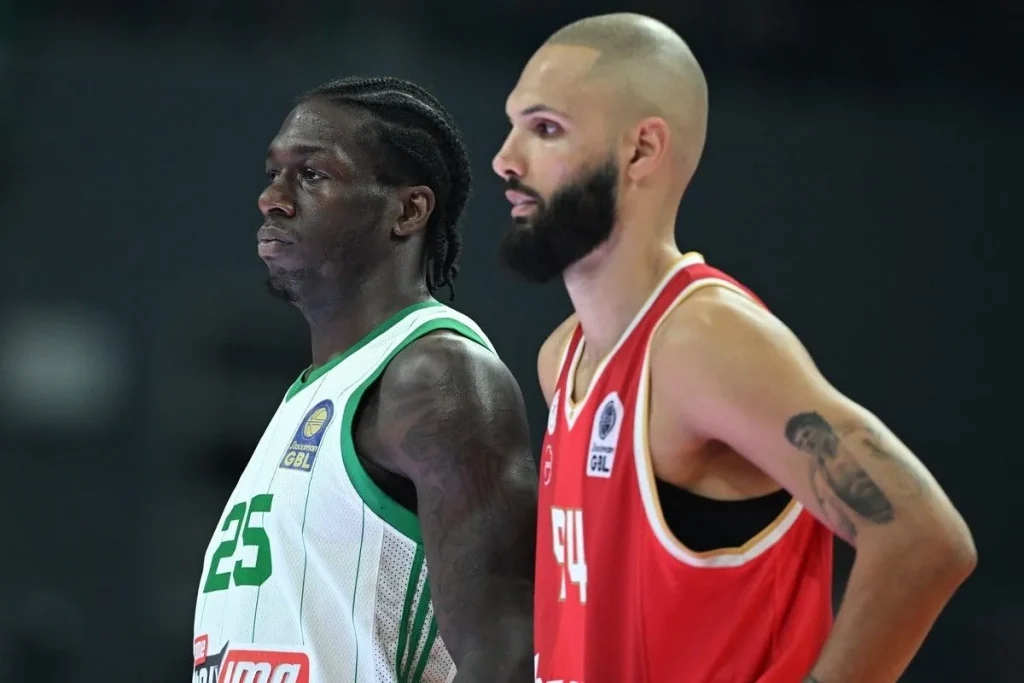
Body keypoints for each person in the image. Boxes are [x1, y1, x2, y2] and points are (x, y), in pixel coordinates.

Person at [492, 13, 976, 683]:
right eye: (513, 125)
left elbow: (926, 540)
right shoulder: (564, 357)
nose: (506, 158)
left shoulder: (702, 342)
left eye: (545, 129)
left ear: (641, 151)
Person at [193, 76, 536, 683]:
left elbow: (506, 653)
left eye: (312, 174)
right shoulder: (315, 392)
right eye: (273, 173)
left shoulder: (437, 378)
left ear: (408, 210)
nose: (272, 198)